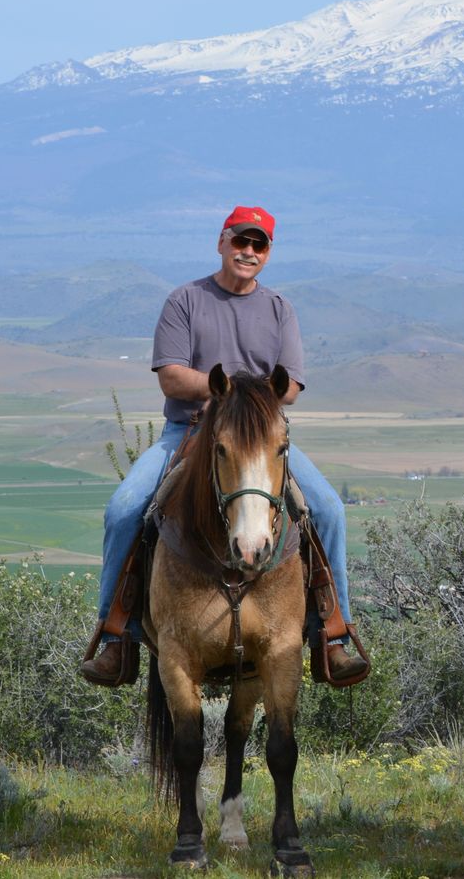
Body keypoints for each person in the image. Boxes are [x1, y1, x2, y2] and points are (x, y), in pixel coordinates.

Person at [79, 205, 368, 686]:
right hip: (190, 433)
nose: (248, 252)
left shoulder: (279, 309)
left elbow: (290, 387)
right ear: (222, 242)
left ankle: (332, 635)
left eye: (259, 245)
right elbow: (171, 377)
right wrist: (227, 390)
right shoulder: (185, 301)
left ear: (268, 253)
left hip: (258, 440)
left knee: (331, 511)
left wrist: (239, 396)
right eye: (241, 241)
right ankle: (116, 636)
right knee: (124, 507)